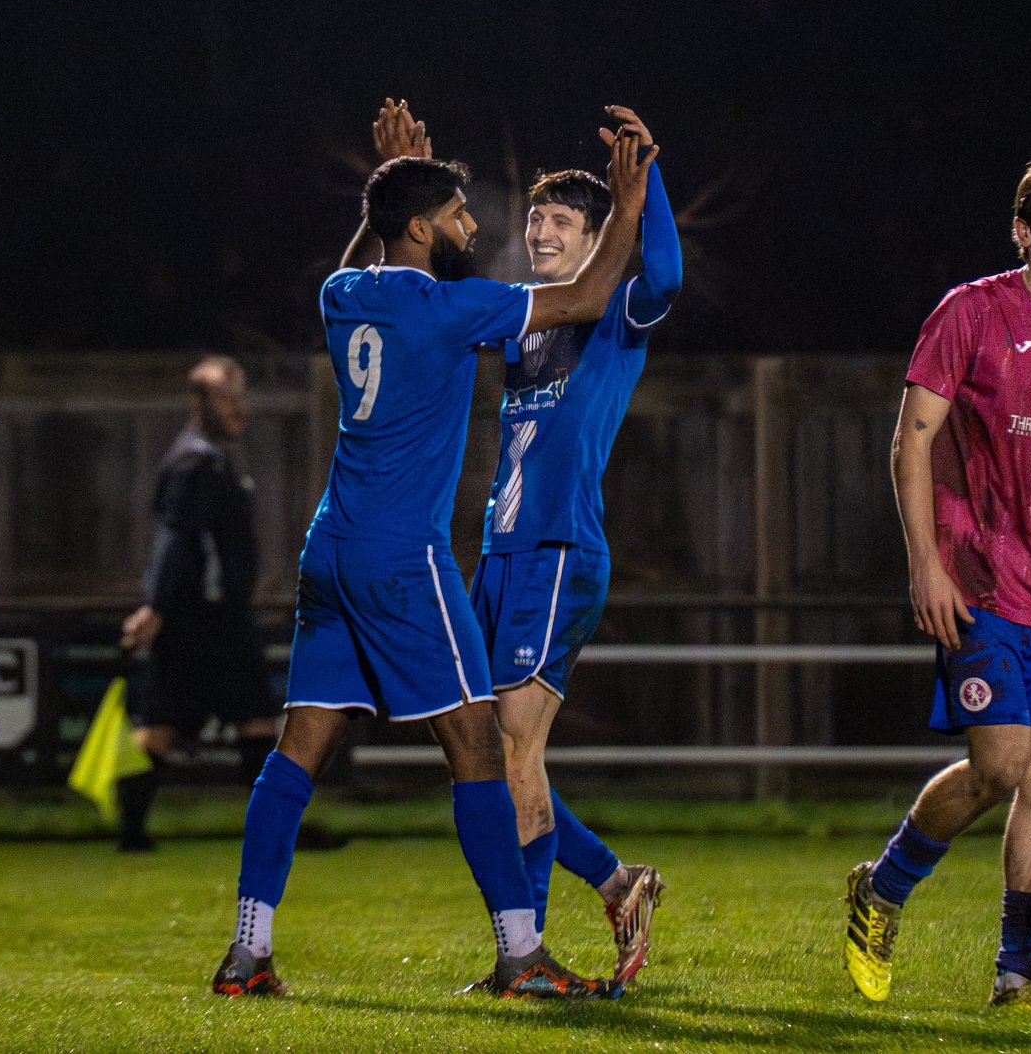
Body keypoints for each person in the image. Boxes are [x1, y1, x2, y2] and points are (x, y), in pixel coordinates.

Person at [209, 101, 656, 1000]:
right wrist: (628, 208)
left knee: (297, 753)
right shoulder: (454, 309)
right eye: (455, 212)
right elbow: (588, 298)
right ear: (420, 228)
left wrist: (383, 204)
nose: (474, 224)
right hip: (403, 560)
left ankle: (247, 954)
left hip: (327, 549)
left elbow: (357, 260)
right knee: (480, 746)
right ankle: (521, 957)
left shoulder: (345, 296)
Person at [844, 157, 1031, 1010]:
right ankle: (884, 886)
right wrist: (924, 562)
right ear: (1024, 230)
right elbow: (911, 438)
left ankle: (1021, 973)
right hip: (973, 575)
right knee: (1003, 762)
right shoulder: (971, 311)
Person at [468, 106, 681, 989]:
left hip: (559, 548)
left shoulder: (613, 315)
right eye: (535, 217)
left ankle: (525, 952)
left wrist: (649, 180)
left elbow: (662, 269)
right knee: (493, 752)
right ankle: (615, 879)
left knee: (514, 749)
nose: (541, 227)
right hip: (501, 551)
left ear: (599, 235)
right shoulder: (525, 318)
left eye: (562, 218)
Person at [118, 356, 283, 852]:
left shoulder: (215, 459)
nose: (237, 407)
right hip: (196, 616)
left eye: (240, 395)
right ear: (199, 403)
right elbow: (175, 540)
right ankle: (130, 834)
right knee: (161, 728)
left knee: (255, 717)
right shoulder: (192, 464)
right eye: (226, 397)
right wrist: (157, 606)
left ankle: (271, 835)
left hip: (222, 614)